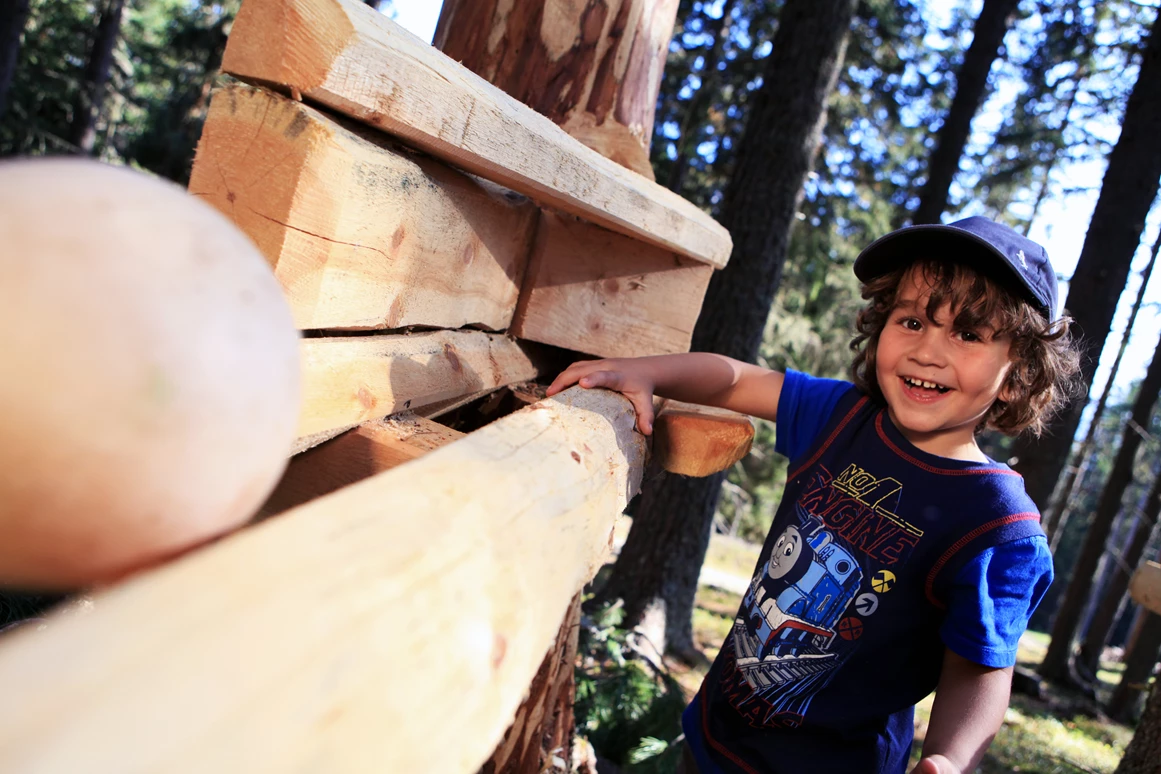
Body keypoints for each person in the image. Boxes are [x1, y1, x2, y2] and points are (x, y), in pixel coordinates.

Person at [546, 217, 1082, 774]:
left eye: (968, 334)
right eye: (913, 320)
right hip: (713, 739)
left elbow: (978, 669)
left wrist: (951, 759)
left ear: (1019, 373)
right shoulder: (841, 417)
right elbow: (735, 379)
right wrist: (646, 372)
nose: (928, 350)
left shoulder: (997, 524)